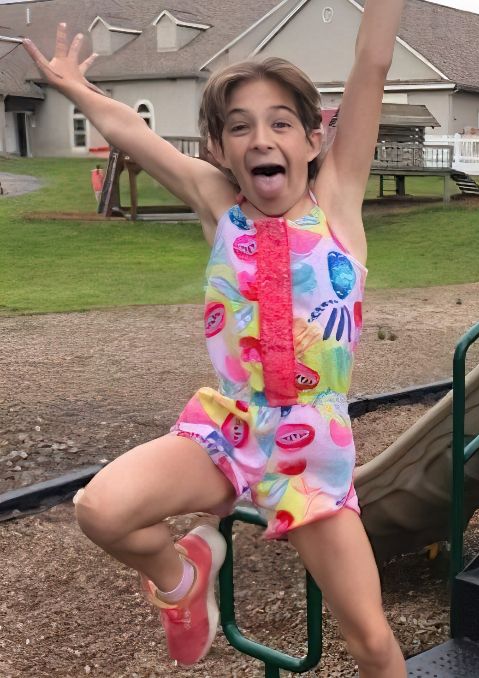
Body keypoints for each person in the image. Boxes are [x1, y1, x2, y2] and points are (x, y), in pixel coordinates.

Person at [24, 5, 408, 673]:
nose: (262, 139)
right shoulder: (217, 204)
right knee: (100, 510)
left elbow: (371, 65)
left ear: (314, 139)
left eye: (280, 123)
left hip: (311, 456)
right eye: (241, 127)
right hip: (229, 432)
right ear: (219, 149)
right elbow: (131, 133)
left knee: (370, 640)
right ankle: (182, 578)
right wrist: (76, 90)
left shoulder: (337, 200)